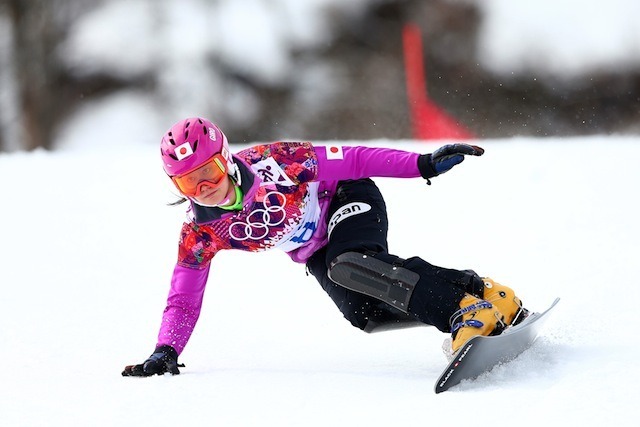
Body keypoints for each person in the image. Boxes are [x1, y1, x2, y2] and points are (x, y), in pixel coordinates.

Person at [122, 117, 527, 377]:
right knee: (363, 313)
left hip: (346, 197)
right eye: (189, 183)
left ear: (225, 160)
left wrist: (420, 164)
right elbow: (183, 298)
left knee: (351, 264)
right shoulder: (200, 233)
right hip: (315, 250)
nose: (205, 188)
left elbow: (353, 159)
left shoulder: (274, 162)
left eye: (208, 172)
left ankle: (463, 311)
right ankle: (481, 292)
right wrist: (166, 349)